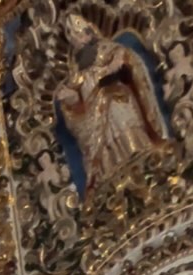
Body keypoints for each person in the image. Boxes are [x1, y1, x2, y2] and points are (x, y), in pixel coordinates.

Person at [55, 14, 168, 193]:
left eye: (81, 34)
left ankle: (140, 154)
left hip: (117, 98)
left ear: (90, 33)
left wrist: (118, 62)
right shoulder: (77, 72)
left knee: (123, 122)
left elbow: (126, 59)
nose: (80, 40)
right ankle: (111, 173)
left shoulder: (108, 49)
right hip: (96, 116)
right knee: (104, 142)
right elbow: (78, 106)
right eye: (75, 38)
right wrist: (71, 98)